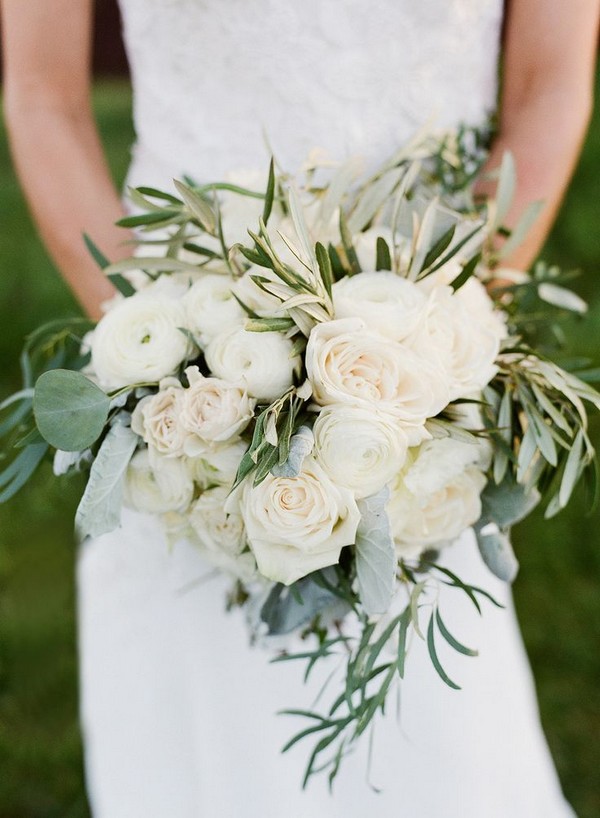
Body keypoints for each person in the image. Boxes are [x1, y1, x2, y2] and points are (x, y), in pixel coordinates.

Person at [1, 1, 598, 815]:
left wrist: (428, 352)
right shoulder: (180, 380)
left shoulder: (418, 369)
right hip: (185, 335)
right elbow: (43, 96)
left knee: (436, 747)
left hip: (410, 376)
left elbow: (549, 83)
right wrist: (170, 368)